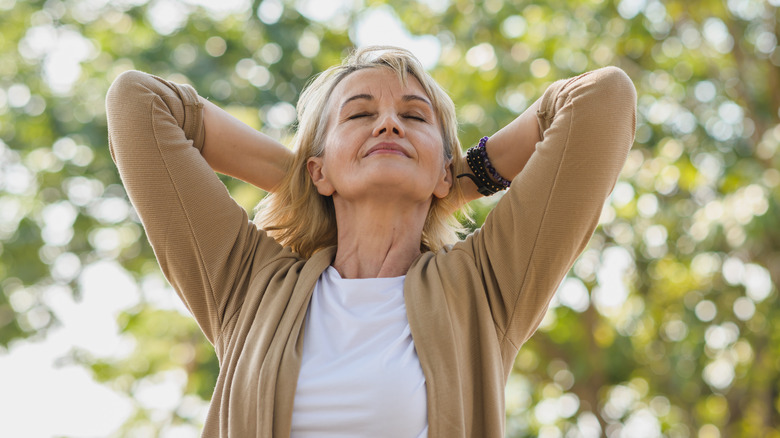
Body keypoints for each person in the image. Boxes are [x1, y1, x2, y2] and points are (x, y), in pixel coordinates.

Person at [105, 46, 636, 437]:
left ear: (443, 170)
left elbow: (601, 100)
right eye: (359, 115)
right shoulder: (248, 285)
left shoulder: (484, 286)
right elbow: (139, 102)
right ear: (319, 169)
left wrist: (453, 181)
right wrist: (308, 180)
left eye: (413, 116)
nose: (388, 124)